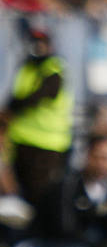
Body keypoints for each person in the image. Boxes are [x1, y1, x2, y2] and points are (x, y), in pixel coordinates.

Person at [3, 21, 74, 207]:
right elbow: (14, 96)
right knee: (19, 194)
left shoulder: (54, 68)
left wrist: (11, 110)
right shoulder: (26, 67)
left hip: (47, 144)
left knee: (40, 195)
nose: (38, 46)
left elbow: (39, 96)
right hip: (21, 141)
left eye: (42, 42)